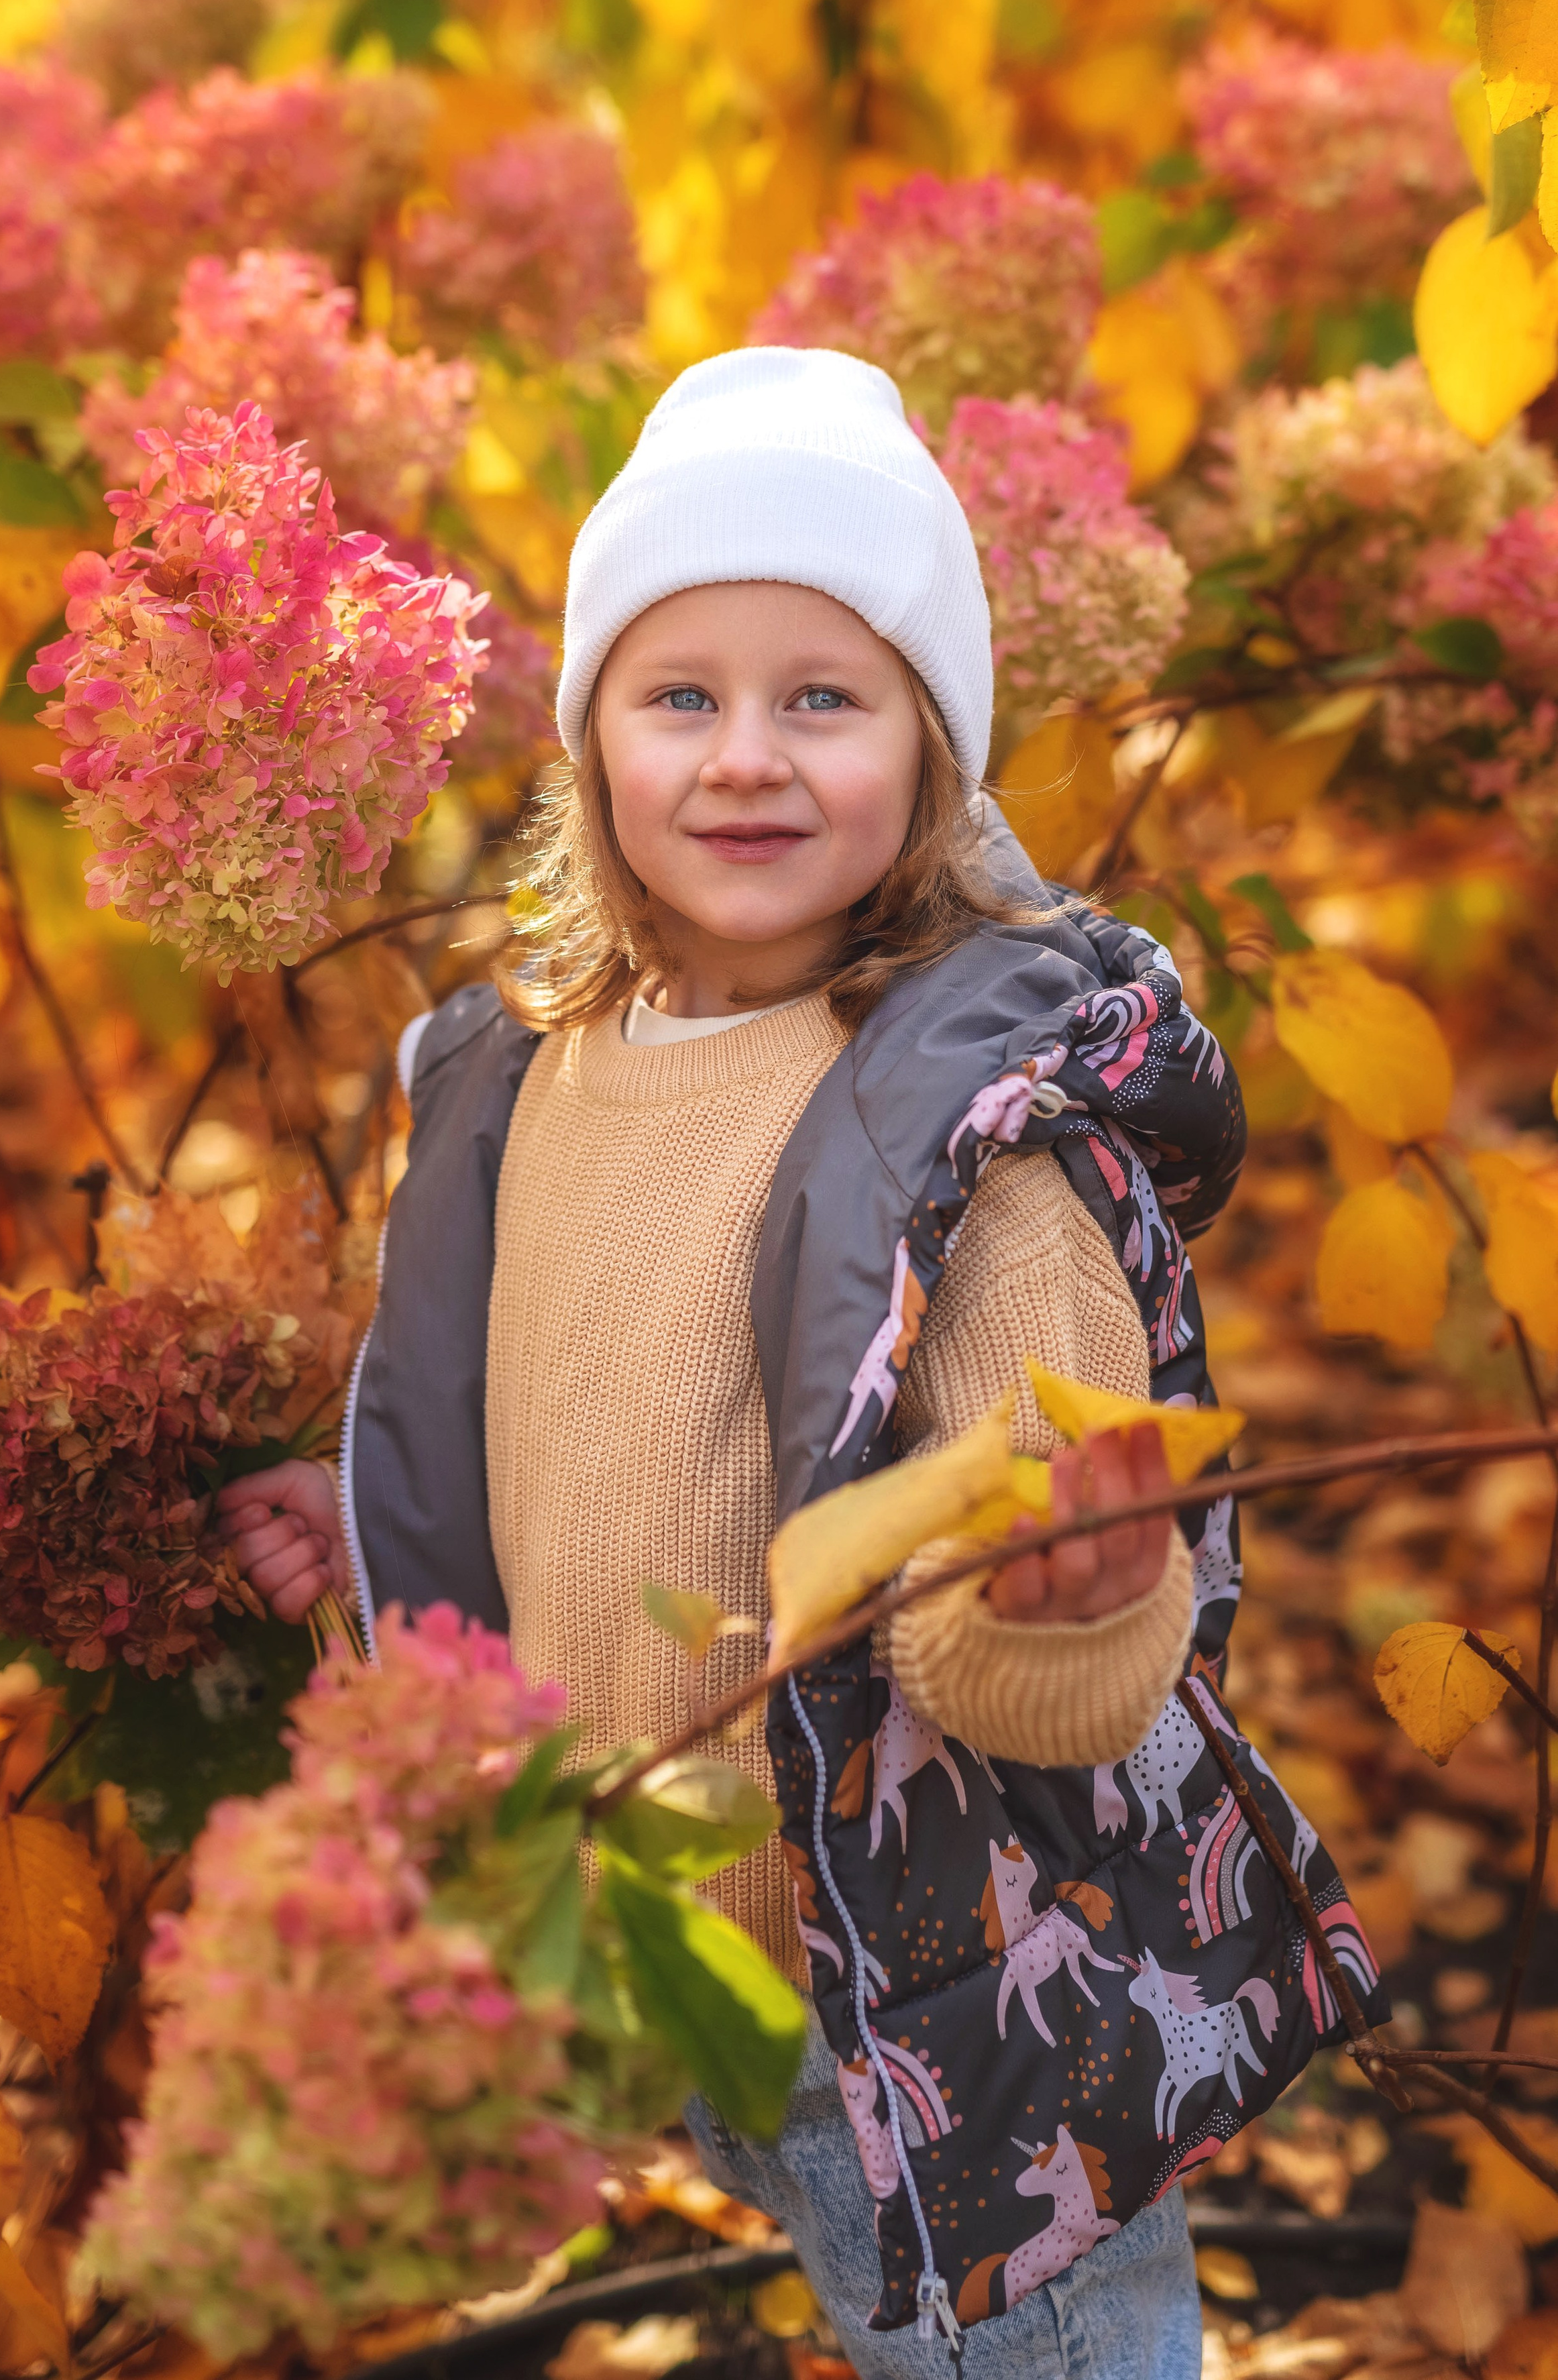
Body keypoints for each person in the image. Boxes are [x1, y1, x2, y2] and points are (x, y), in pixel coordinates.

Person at [219, 348, 1380, 2379]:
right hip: (676, 1952)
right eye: (683, 694)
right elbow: (547, 1408)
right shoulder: (533, 1076)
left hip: (926, 2010)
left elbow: (1058, 1631)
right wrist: (364, 1504)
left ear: (929, 757)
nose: (745, 754)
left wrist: (1069, 1582)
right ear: (593, 748)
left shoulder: (961, 1136)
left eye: (821, 697)